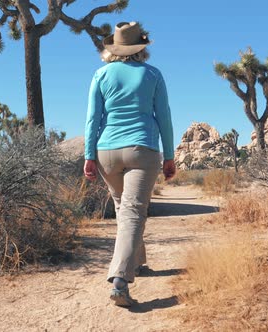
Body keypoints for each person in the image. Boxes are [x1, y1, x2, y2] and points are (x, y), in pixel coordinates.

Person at [83, 21, 176, 307]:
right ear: (141, 48)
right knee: (134, 212)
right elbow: (164, 117)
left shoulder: (101, 74)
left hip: (106, 152)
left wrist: (88, 156)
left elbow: (92, 119)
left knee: (126, 209)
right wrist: (169, 155)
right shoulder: (153, 75)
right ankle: (120, 281)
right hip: (142, 148)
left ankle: (138, 263)